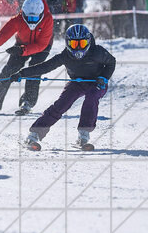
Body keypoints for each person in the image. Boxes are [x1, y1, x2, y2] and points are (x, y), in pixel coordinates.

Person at [15, 23, 116, 151]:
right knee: (61, 104)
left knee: (91, 97)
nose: (78, 48)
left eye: (82, 43)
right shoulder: (65, 56)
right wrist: (22, 73)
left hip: (97, 83)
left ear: (88, 42)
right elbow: (45, 67)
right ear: (68, 43)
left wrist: (104, 77)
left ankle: (83, 136)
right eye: (74, 44)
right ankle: (34, 135)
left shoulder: (97, 52)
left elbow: (111, 62)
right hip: (77, 83)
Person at [0, 0, 53, 116]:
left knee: (34, 70)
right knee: (9, 70)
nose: (31, 21)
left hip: (42, 47)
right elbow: (4, 34)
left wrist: (22, 50)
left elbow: (41, 44)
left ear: (40, 14)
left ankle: (27, 102)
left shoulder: (48, 19)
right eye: (28, 18)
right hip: (21, 43)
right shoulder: (17, 19)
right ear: (23, 13)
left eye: (34, 18)